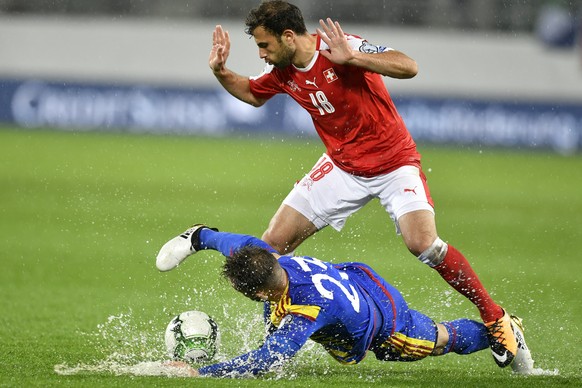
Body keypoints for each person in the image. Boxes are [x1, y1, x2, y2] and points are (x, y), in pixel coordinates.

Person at [206, 0, 518, 367]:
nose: (262, 54)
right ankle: (276, 342)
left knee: (424, 245)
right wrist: (221, 72)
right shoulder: (284, 69)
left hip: (393, 163)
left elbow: (409, 66)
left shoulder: (340, 47)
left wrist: (353, 58)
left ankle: (496, 318)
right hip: (341, 167)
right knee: (270, 247)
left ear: (288, 36)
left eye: (265, 45)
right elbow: (253, 95)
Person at [156, 225, 534, 378]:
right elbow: (223, 241)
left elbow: (270, 360)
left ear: (258, 292)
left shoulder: (306, 309)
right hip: (353, 278)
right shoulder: (265, 257)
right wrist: (198, 238)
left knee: (438, 339)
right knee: (278, 312)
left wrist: (199, 373)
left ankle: (503, 330)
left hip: (385, 322)